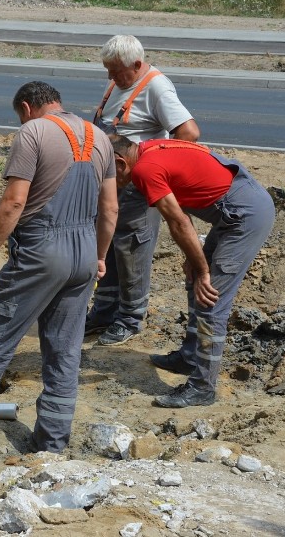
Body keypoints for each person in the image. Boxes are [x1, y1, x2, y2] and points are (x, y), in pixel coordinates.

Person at [0, 81, 118, 452]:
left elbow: (13, 202)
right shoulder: (99, 136)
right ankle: (52, 440)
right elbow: (110, 208)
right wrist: (100, 255)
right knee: (64, 350)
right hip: (84, 251)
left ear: (26, 107)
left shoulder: (33, 132)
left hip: (42, 250)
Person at [110, 136, 274, 407]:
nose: (108, 182)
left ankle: (202, 388)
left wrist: (203, 268)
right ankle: (189, 357)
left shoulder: (144, 170)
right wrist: (195, 262)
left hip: (244, 216)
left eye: (107, 173)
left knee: (211, 299)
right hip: (234, 209)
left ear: (119, 162)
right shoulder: (148, 148)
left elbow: (179, 222)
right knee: (194, 281)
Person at [86, 34, 201, 347]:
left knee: (131, 249)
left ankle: (130, 318)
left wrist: (155, 167)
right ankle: (105, 311)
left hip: (136, 185)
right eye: (107, 69)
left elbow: (188, 133)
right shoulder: (119, 81)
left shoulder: (157, 87)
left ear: (136, 65)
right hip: (112, 180)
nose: (110, 76)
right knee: (109, 245)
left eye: (115, 70)